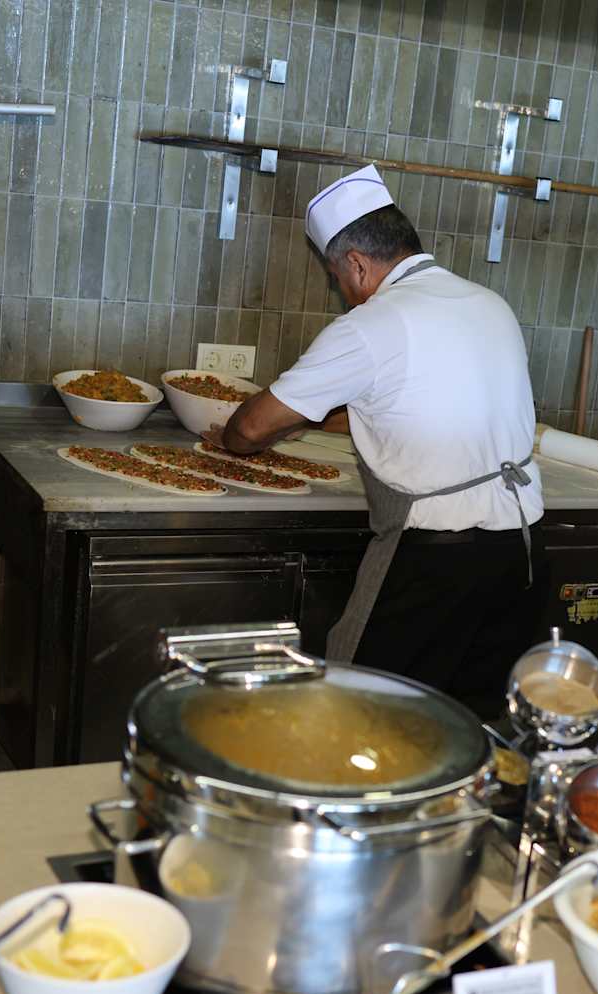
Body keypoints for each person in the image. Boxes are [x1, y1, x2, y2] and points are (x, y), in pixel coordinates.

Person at [210, 165, 547, 714]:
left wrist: (231, 439)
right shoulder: (490, 304)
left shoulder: (372, 325)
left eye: (335, 278)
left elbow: (251, 428)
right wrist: (306, 421)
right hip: (522, 553)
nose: (341, 293)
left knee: (369, 712)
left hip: (436, 561)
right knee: (471, 722)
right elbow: (407, 407)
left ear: (357, 264)